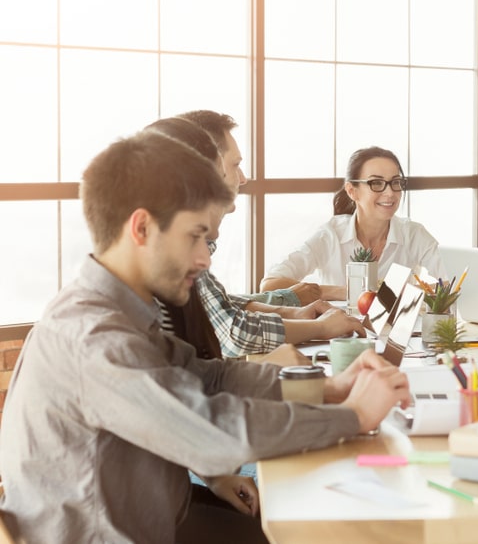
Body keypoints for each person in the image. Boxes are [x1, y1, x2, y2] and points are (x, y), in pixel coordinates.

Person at [0, 130, 412, 543]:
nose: (203, 259)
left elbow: (209, 377)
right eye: (195, 237)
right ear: (141, 228)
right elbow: (214, 433)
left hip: (163, 509)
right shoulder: (97, 337)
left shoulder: (115, 307)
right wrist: (353, 416)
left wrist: (331, 387)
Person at [176, 111, 363, 358]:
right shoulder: (176, 249)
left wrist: (293, 311)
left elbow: (219, 304)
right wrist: (318, 327)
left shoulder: (409, 231)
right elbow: (231, 333)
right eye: (235, 165)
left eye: (396, 183)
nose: (243, 179)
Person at [260, 146, 446, 302]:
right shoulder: (330, 235)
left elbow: (453, 282)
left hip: (399, 339)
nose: (390, 193)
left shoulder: (413, 234)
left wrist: (404, 294)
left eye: (395, 182)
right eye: (376, 183)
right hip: (339, 338)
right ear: (352, 191)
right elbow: (270, 284)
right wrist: (341, 292)